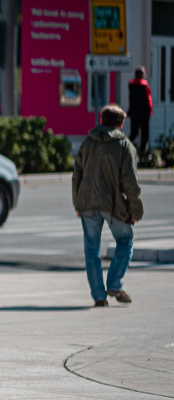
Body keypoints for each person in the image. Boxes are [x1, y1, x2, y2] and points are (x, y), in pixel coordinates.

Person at [72, 104, 143, 307]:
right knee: (125, 239)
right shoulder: (124, 145)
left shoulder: (87, 142)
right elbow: (130, 181)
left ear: (102, 121)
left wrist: (78, 203)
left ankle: (99, 297)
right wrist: (135, 210)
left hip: (87, 202)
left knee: (91, 249)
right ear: (120, 123)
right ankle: (114, 283)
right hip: (112, 203)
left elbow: (76, 174)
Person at [128, 67, 153, 162]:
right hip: (144, 114)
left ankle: (126, 146)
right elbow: (149, 100)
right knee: (144, 135)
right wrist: (150, 111)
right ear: (141, 74)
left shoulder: (131, 84)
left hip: (134, 113)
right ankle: (143, 154)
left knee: (134, 133)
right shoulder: (144, 85)